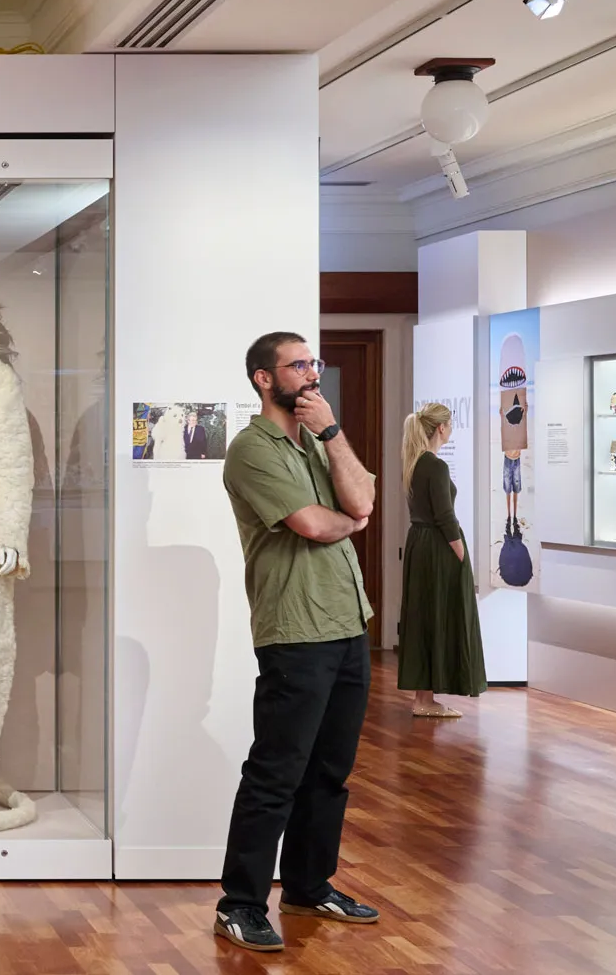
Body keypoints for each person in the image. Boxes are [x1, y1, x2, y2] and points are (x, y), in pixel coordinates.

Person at [215, 332, 381, 953]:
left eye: (313, 363)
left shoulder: (317, 440)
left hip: (346, 624)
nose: (311, 374)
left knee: (330, 772)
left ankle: (310, 886)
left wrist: (333, 433)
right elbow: (314, 524)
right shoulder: (250, 452)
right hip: (294, 632)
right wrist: (352, 525)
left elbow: (362, 498)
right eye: (297, 365)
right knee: (276, 772)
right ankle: (239, 904)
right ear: (264, 379)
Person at [398, 404, 486, 717]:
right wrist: (461, 554)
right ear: (441, 429)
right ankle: (424, 700)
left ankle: (423, 698)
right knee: (439, 616)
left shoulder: (415, 463)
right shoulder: (435, 466)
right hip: (437, 548)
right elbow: (445, 516)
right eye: (451, 425)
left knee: (425, 617)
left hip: (420, 546)